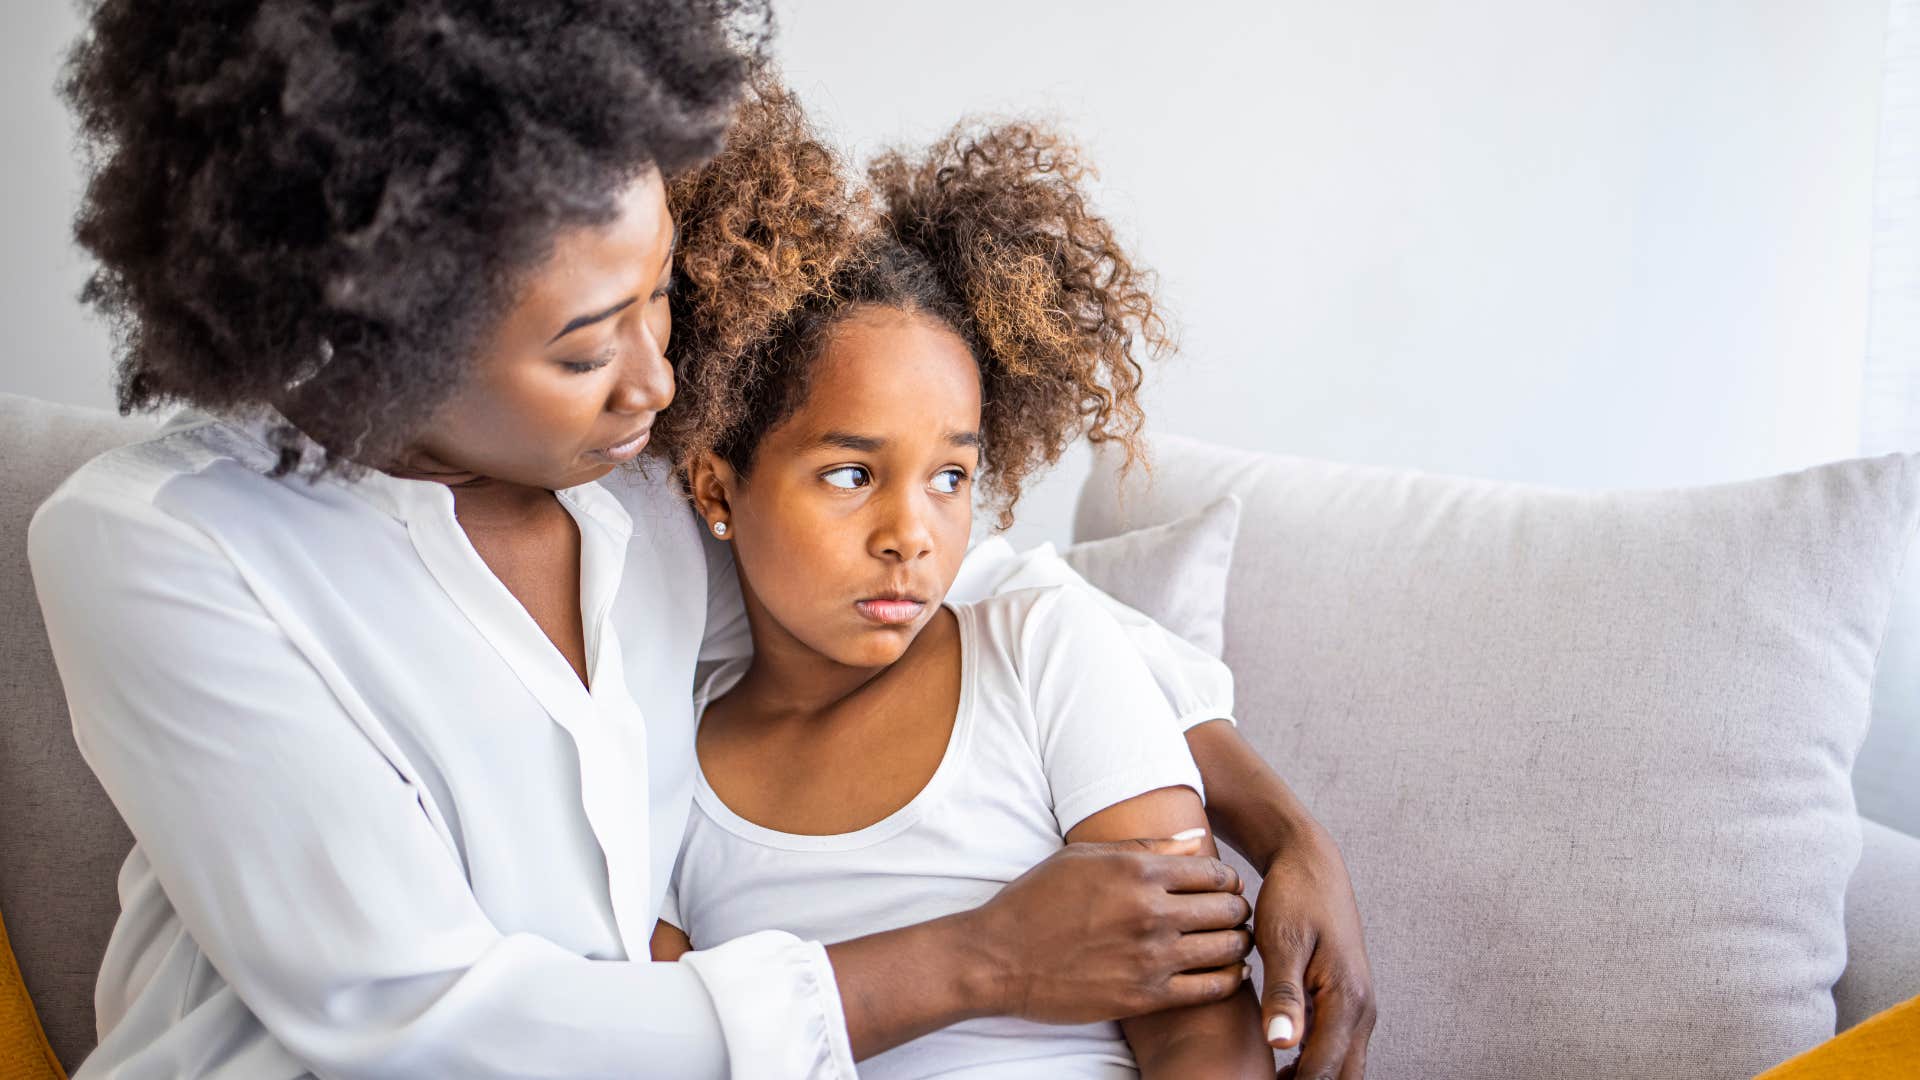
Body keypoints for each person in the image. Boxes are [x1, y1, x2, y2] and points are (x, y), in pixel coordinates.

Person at [31, 2, 1373, 1076]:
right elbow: (413, 1022)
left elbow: (990, 590)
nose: (657, 380)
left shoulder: (644, 488)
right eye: (581, 348)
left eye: (658, 295)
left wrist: (1286, 834)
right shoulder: (163, 546)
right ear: (381, 334)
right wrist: (981, 963)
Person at [649, 82, 1274, 1078]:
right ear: (718, 486)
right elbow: (663, 1049)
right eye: (851, 475)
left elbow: (1202, 1025)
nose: (912, 534)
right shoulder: (666, 763)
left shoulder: (1039, 650)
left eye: (951, 477)